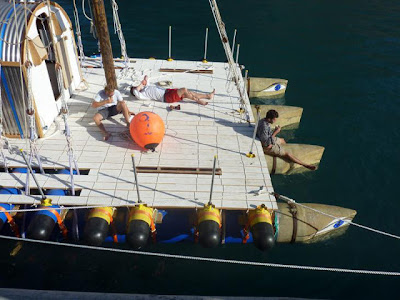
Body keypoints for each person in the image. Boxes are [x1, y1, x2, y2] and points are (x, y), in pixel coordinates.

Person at [130, 75, 214, 106]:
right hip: (166, 97)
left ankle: (207, 96)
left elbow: (146, 78)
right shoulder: (141, 94)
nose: (137, 87)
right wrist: (141, 85)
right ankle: (198, 101)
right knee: (184, 90)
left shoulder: (145, 88)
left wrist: (144, 80)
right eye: (135, 87)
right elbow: (135, 92)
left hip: (168, 92)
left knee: (188, 93)